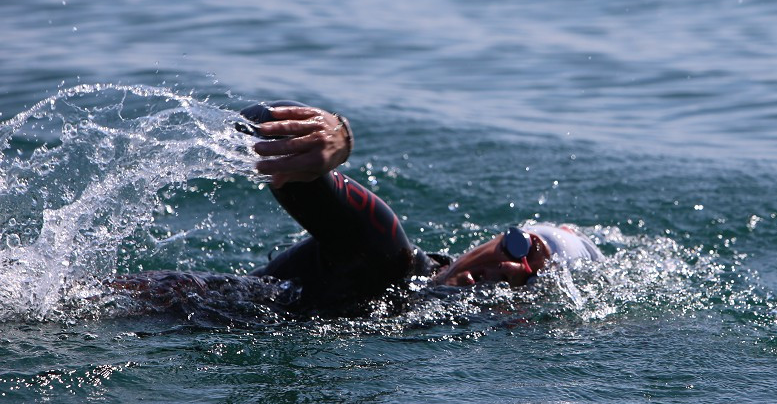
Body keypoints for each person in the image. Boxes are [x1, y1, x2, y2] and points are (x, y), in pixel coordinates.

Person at [110, 101, 602, 318]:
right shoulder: (386, 256)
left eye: (529, 278)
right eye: (520, 246)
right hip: (102, 315)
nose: (509, 266)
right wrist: (334, 135)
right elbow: (262, 126)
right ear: (496, 236)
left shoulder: (430, 337)